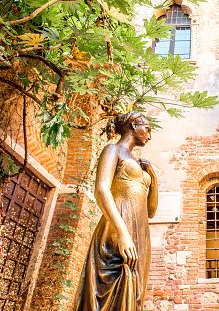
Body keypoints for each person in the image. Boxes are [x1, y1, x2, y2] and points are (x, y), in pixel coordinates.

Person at [74, 112, 158, 311]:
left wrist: (153, 178)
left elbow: (151, 211)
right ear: (134, 125)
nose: (149, 135)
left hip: (140, 234)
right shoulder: (113, 150)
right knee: (109, 290)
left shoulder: (140, 164)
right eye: (147, 129)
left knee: (135, 295)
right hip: (117, 229)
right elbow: (101, 190)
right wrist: (122, 233)